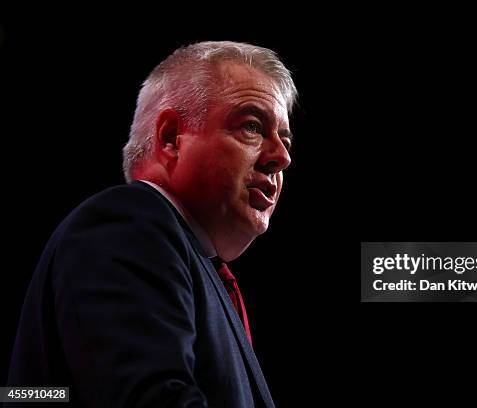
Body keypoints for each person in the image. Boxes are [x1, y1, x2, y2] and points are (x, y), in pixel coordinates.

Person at [6, 41, 296, 407]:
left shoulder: (194, 262)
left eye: (285, 140)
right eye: (252, 126)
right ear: (171, 137)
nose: (282, 157)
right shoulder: (126, 225)